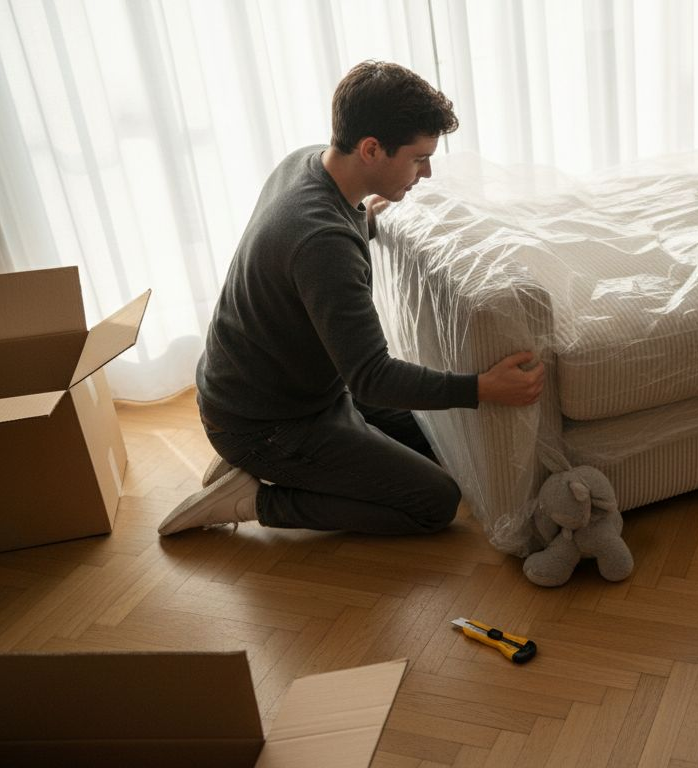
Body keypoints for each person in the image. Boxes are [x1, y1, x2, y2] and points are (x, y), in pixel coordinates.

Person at [158, 61, 543, 537]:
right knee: (435, 501)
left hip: (273, 389)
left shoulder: (306, 163)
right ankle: (255, 498)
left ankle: (272, 465)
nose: (426, 172)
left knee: (437, 444)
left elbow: (315, 250)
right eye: (418, 158)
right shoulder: (322, 243)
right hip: (266, 422)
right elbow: (372, 378)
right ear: (371, 149)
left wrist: (366, 219)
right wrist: (481, 388)